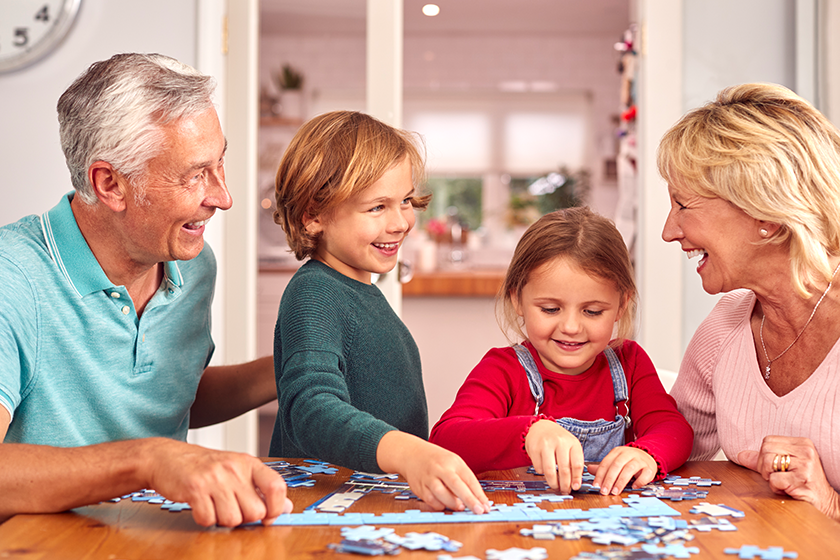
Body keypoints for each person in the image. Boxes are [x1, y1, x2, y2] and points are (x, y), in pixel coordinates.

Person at [0, 53, 292, 527]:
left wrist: (292, 366)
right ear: (110, 184)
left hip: (156, 537)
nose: (223, 197)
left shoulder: (192, 267)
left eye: (220, 163)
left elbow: (170, 395)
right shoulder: (12, 278)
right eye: (195, 174)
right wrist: (149, 460)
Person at [269, 110, 491, 515]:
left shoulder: (359, 291)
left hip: (368, 506)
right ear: (313, 216)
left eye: (405, 201)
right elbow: (310, 407)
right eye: (377, 208)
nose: (401, 222)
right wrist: (408, 453)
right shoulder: (315, 293)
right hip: (325, 514)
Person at [660, 83, 840, 520]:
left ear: (765, 215)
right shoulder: (726, 325)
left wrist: (830, 503)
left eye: (683, 205)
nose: (669, 231)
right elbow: (668, 449)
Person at [430, 207, 692, 495]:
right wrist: (528, 433)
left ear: (621, 305)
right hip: (520, 518)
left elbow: (673, 428)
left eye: (592, 311)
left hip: (608, 515)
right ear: (517, 299)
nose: (570, 327)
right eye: (550, 309)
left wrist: (647, 454)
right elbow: (446, 439)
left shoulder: (630, 362)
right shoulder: (503, 369)